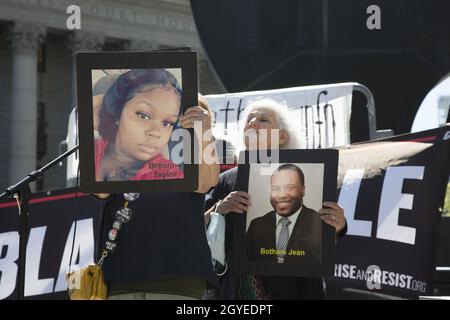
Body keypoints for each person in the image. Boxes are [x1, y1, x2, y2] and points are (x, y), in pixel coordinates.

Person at [204, 98, 346, 300]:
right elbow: (199, 227)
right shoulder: (225, 179)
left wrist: (338, 224)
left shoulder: (311, 174)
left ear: (282, 136)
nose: (252, 123)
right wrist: (219, 208)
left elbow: (325, 235)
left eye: (262, 119)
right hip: (239, 293)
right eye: (249, 119)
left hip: (300, 290)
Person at [93, 94, 220, 300]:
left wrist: (204, 131)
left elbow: (207, 183)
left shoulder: (195, 147)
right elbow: (100, 191)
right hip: (121, 275)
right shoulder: (120, 148)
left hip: (178, 276)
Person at [94, 69, 184, 182]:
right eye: (143, 116)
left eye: (167, 123)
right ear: (118, 112)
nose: (156, 132)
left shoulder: (169, 175)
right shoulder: (91, 151)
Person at [246, 164, 321, 265]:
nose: (282, 195)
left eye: (290, 187)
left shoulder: (319, 222)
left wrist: (341, 227)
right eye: (276, 188)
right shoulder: (256, 225)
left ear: (302, 190)